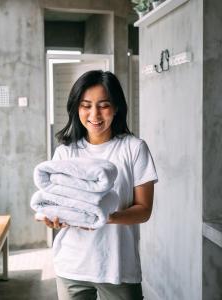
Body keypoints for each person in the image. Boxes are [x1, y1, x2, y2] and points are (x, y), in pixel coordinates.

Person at [41, 70, 158, 300]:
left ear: (116, 108)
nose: (94, 114)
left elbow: (144, 210)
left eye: (103, 105)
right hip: (72, 267)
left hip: (118, 268)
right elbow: (55, 203)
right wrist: (52, 218)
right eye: (86, 105)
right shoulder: (65, 153)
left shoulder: (134, 149)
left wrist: (105, 217)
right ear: (76, 108)